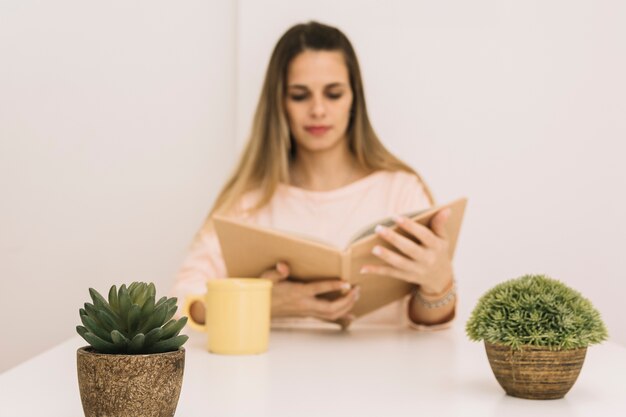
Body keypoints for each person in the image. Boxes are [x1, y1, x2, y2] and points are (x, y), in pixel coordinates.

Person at [172, 21, 456, 330]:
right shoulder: (249, 200)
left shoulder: (401, 190)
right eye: (299, 95)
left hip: (385, 374)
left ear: (354, 100)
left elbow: (433, 328)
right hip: (271, 375)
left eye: (333, 94)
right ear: (279, 102)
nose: (318, 109)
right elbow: (182, 306)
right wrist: (263, 303)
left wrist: (438, 283)